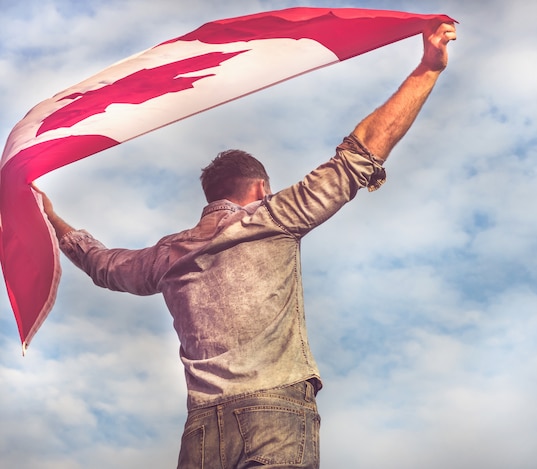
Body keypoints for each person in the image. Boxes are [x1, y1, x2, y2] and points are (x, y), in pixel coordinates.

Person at [35, 21, 456, 469]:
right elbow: (360, 153)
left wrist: (50, 216)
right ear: (259, 189)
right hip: (274, 412)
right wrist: (427, 70)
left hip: (201, 429)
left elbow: (102, 264)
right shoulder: (273, 217)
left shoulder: (168, 256)